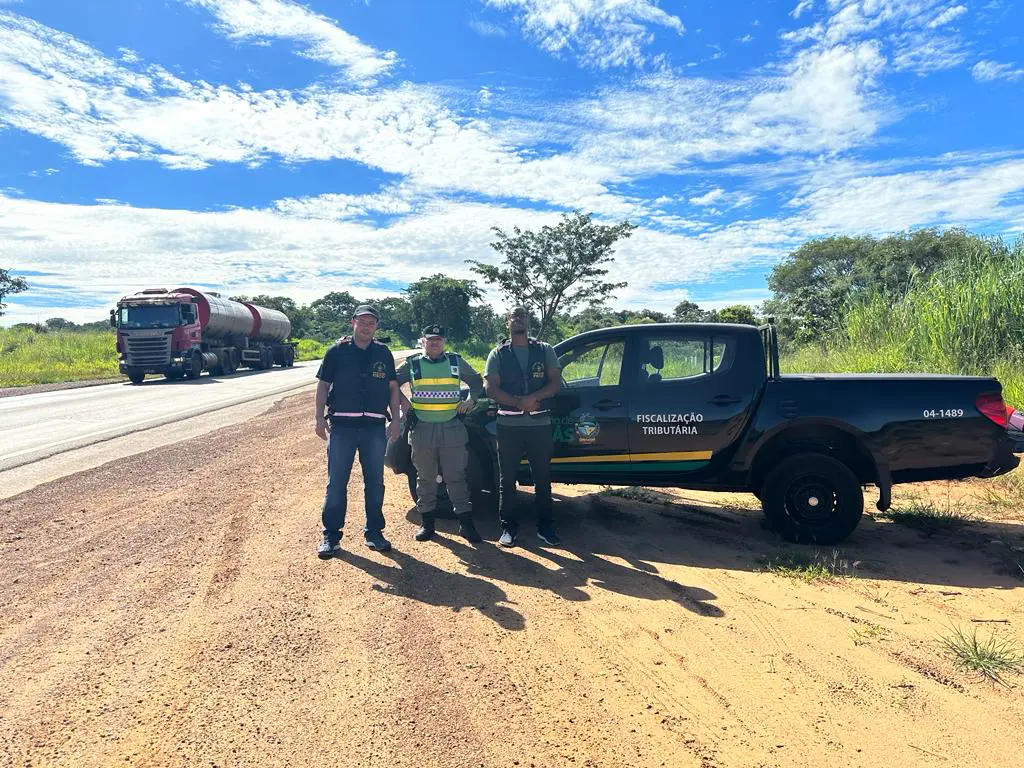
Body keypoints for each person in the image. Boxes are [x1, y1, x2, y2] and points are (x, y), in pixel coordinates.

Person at [315, 305, 402, 557]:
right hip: (342, 427)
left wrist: (395, 420)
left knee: (375, 482)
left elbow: (393, 388)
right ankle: (331, 535)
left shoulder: (383, 353)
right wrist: (318, 418)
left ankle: (374, 532)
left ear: (376, 326)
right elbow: (323, 386)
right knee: (336, 483)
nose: (366, 326)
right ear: (353, 322)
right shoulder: (336, 352)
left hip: (374, 429)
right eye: (362, 322)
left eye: (371, 323)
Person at [395, 324, 485, 543]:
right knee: (425, 478)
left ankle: (466, 524)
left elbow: (476, 380)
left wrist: (470, 401)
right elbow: (390, 383)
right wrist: (404, 402)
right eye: (430, 339)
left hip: (451, 427)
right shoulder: (412, 363)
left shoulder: (455, 361)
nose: (435, 342)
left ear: (444, 342)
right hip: (422, 429)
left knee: (456, 477)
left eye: (439, 339)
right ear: (423, 341)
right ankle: (428, 525)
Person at [484, 307, 563, 548]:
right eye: (513, 316)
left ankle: (545, 527)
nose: (518, 319)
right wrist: (518, 402)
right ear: (507, 322)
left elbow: (555, 382)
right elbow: (491, 389)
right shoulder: (498, 354)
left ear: (528, 321)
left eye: (522, 316)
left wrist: (534, 398)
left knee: (542, 477)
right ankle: (508, 527)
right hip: (508, 425)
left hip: (540, 424)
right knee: (506, 478)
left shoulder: (544, 349)